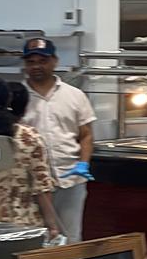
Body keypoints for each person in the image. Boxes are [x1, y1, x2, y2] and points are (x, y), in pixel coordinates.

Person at [20, 37, 95, 244]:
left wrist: (83, 163)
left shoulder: (75, 95)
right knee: (34, 238)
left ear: (54, 61)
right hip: (31, 183)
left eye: (42, 61)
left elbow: (86, 134)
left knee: (70, 238)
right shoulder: (17, 98)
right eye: (31, 62)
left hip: (70, 179)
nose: (36, 66)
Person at [0, 78, 60, 239]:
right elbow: (42, 189)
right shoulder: (30, 138)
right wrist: (52, 226)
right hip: (25, 226)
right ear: (8, 100)